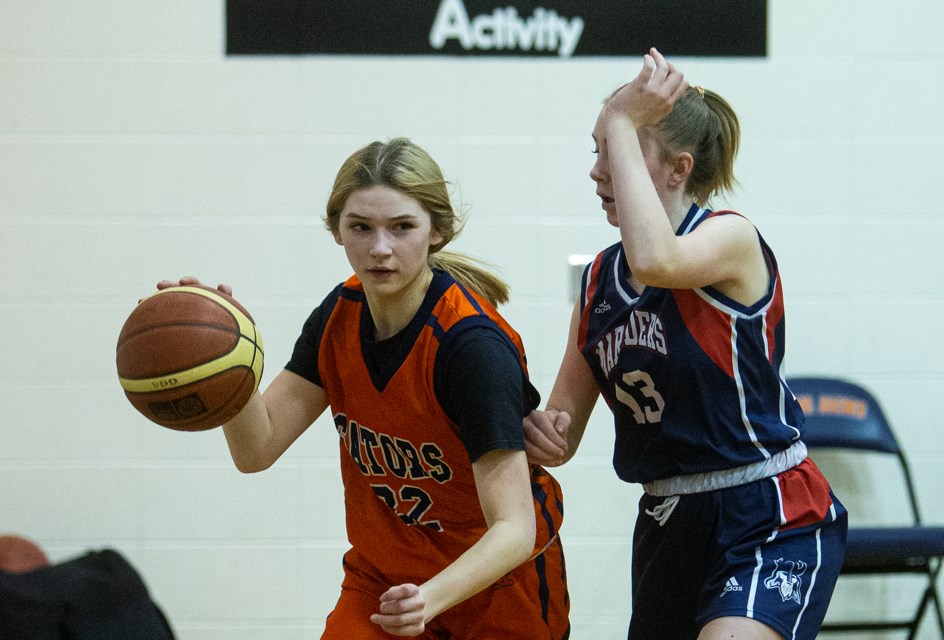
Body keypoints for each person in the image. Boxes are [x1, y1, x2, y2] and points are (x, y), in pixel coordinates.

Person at [160, 138, 569, 639]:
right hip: (385, 577)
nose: (380, 248)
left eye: (401, 228)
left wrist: (427, 600)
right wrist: (226, 365)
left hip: (493, 583)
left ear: (437, 231)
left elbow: (514, 529)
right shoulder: (338, 315)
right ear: (336, 229)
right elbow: (256, 449)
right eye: (360, 227)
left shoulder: (470, 347)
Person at [522, 48, 847, 640]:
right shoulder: (599, 282)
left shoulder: (730, 239)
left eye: (619, 148)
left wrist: (620, 115)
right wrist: (532, 429)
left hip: (765, 507)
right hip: (666, 518)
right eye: (598, 149)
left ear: (678, 169)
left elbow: (657, 257)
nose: (600, 170)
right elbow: (561, 432)